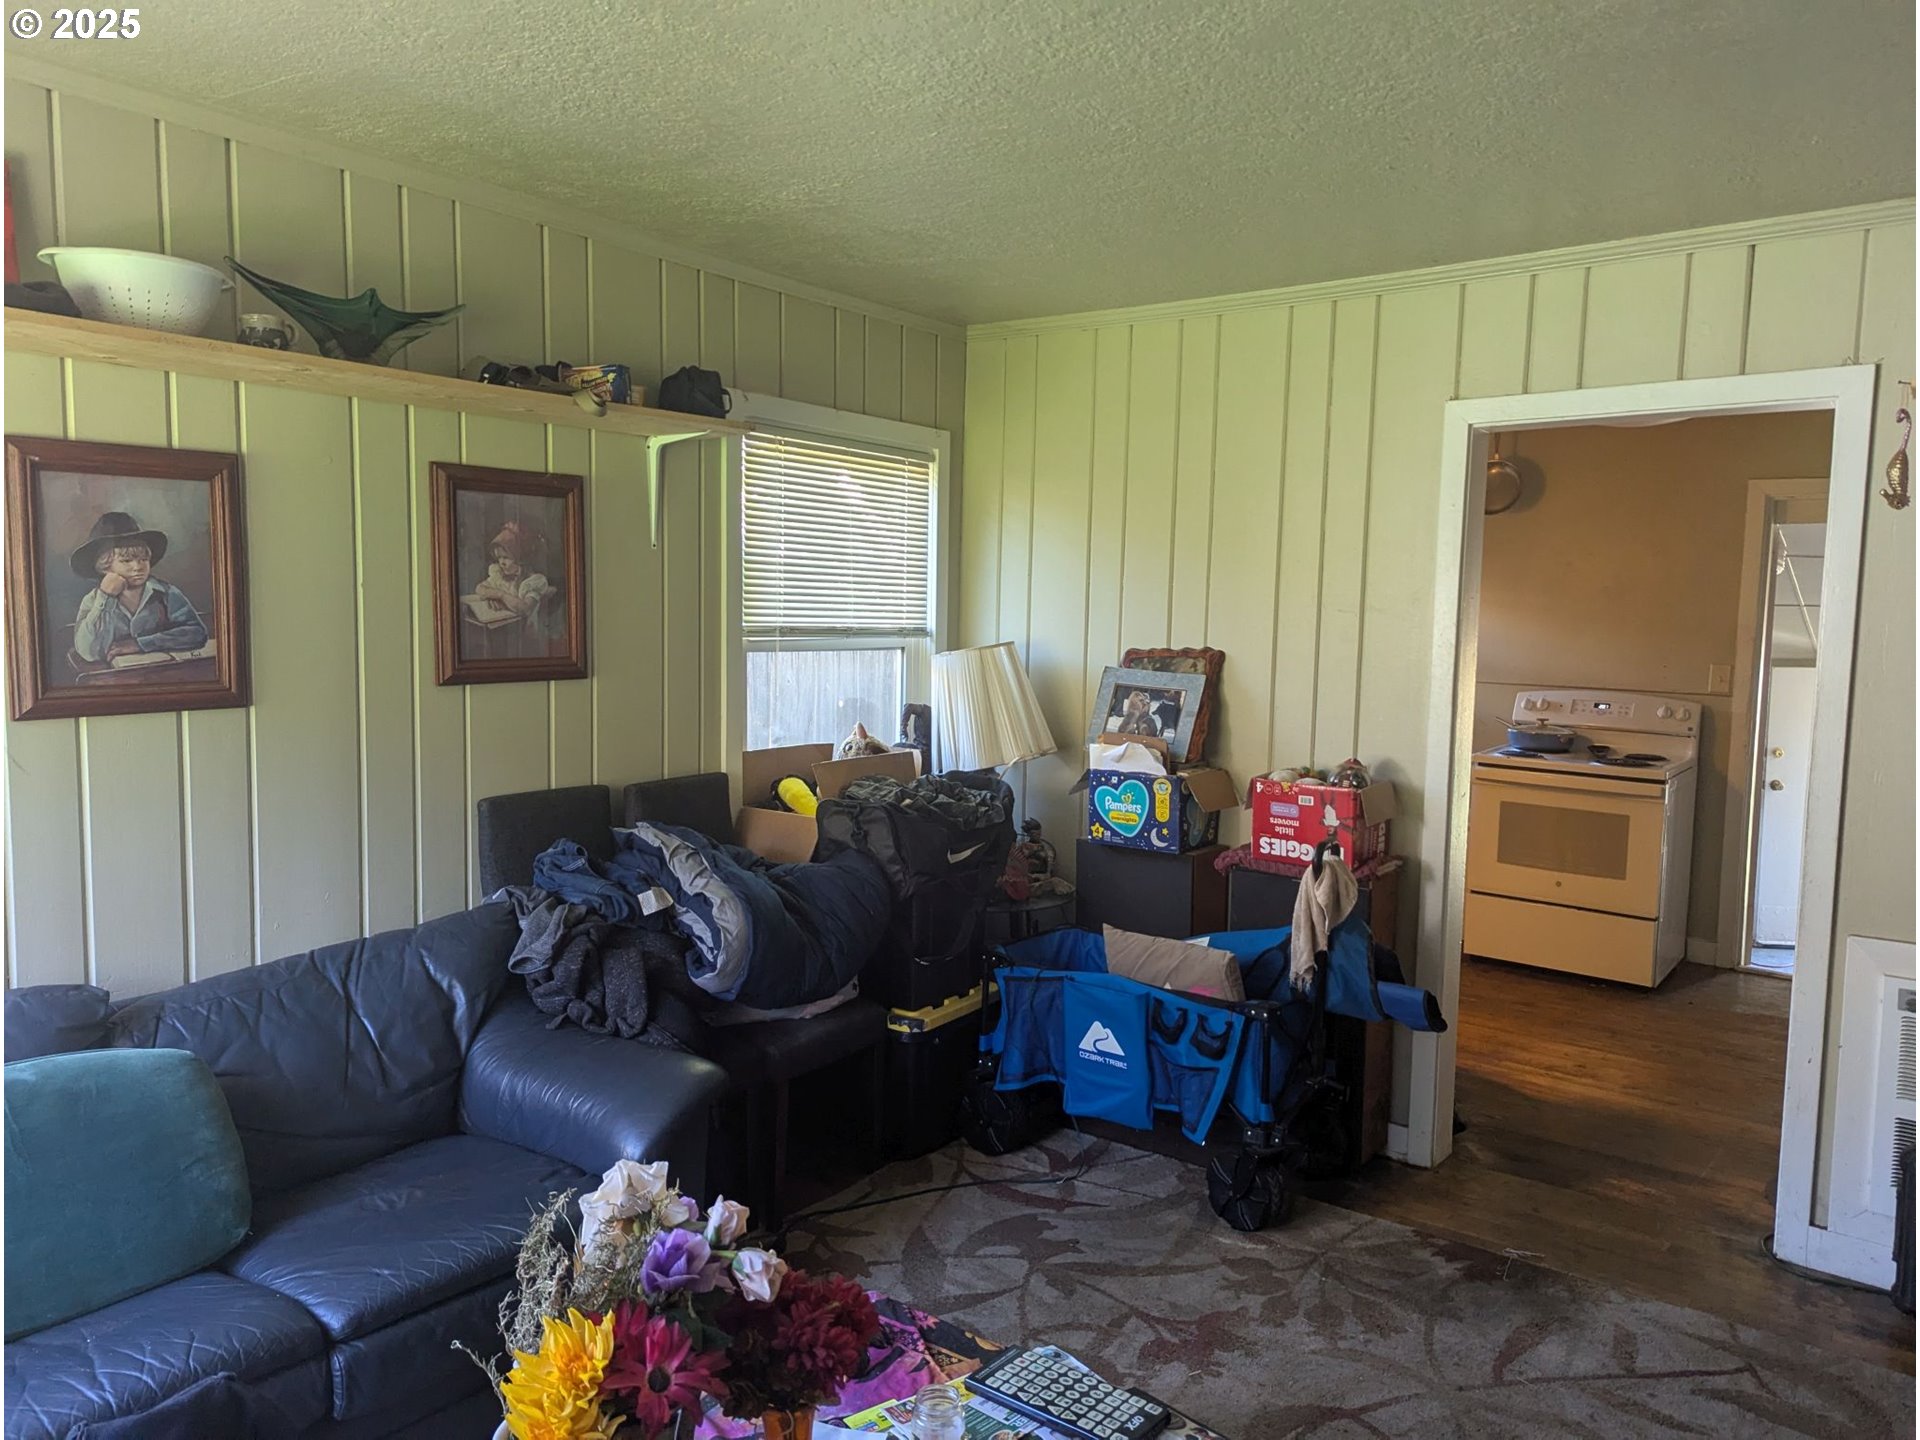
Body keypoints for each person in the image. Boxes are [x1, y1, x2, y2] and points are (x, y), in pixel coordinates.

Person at [69, 511, 209, 665]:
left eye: (143, 559)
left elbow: (197, 633)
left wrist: (140, 644)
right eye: (126, 560)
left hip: (161, 671)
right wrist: (105, 596)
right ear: (105, 566)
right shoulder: (93, 600)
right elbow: (88, 652)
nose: (138, 567)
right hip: (114, 675)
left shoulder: (166, 593)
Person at [472, 520, 553, 630]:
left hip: (525, 631)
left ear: (520, 559)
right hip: (502, 627)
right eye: (499, 558)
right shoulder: (499, 575)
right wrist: (494, 597)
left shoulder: (533, 581)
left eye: (506, 558)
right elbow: (480, 588)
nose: (501, 563)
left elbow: (525, 608)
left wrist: (501, 596)